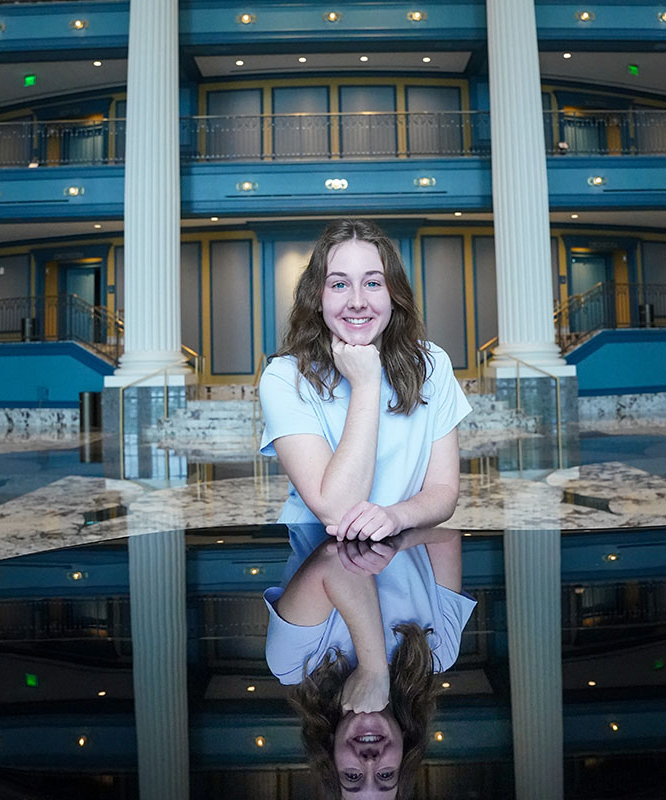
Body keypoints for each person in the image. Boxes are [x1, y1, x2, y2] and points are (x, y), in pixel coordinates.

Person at [259, 218, 472, 540]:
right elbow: (337, 510)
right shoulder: (285, 377)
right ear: (317, 297)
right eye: (339, 284)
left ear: (393, 295)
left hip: (402, 551)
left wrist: (395, 516)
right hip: (318, 560)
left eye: (373, 283)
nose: (357, 301)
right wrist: (366, 384)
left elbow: (443, 490)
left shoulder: (432, 364)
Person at [264, 524, 476, 800]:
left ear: (330, 752)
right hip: (414, 483)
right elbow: (448, 531)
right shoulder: (439, 652)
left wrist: (373, 669)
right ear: (405, 752)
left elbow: (335, 559)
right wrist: (398, 540)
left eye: (352, 777)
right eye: (385, 775)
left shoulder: (295, 663)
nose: (369, 761)